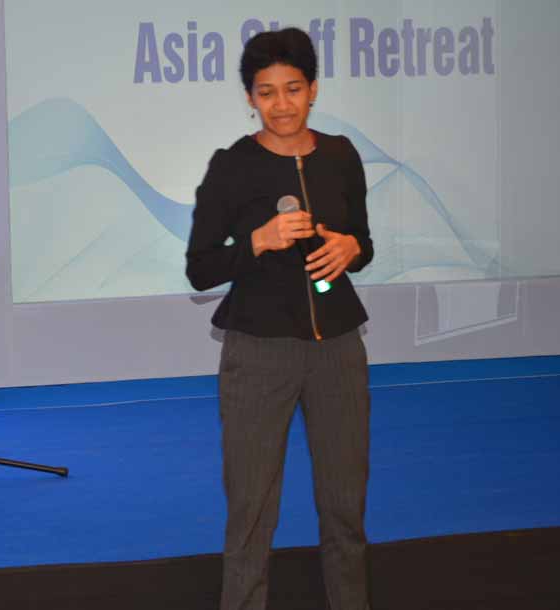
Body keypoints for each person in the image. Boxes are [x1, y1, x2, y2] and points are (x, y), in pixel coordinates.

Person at [186, 28, 374, 610]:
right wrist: (258, 241)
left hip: (338, 349)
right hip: (258, 352)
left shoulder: (341, 155)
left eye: (293, 88)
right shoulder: (232, 166)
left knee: (345, 506)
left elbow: (363, 242)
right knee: (252, 509)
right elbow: (200, 268)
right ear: (250, 98)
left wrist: (352, 249)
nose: (282, 104)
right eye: (266, 92)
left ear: (313, 89)